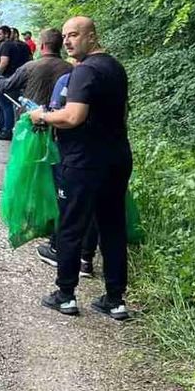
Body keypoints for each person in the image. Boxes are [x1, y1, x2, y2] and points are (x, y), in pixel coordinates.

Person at [29, 16, 132, 320]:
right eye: (65, 36)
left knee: (72, 226)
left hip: (84, 163)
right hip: (117, 158)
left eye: (74, 35)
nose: (68, 41)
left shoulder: (85, 71)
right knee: (112, 228)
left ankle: (65, 296)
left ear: (92, 36)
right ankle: (115, 300)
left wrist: (43, 117)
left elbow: (73, 117)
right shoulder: (115, 67)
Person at [35, 58, 100, 279]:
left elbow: (61, 116)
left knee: (68, 207)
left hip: (72, 154)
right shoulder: (110, 76)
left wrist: (41, 116)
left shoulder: (69, 79)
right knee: (92, 207)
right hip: (104, 155)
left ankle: (58, 254)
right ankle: (86, 257)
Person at [0, 27, 70, 109]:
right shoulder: (71, 68)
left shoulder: (29, 67)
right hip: (61, 117)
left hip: (31, 118)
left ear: (42, 46)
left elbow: (6, 86)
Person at [0, 25, 32, 140]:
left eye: (0, 34)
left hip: (5, 78)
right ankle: (2, 128)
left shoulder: (6, 45)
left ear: (7, 34)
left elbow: (4, 62)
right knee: (5, 104)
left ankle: (7, 130)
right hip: (19, 77)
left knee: (5, 104)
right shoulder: (22, 46)